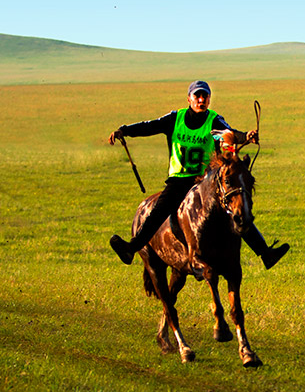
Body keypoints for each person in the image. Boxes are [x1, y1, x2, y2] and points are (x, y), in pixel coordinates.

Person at [108, 80, 289, 269]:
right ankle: (131, 248)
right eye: (197, 96)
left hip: (206, 180)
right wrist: (125, 131)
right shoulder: (175, 119)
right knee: (159, 210)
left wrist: (246, 136)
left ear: (209, 100)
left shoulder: (214, 120)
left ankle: (265, 253)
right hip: (179, 179)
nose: (201, 100)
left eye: (205, 96)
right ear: (189, 98)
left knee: (235, 208)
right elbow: (150, 126)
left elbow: (229, 133)